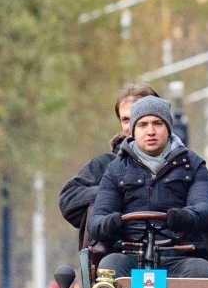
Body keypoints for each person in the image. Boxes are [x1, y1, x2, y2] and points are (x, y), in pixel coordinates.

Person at [86, 96, 208, 278]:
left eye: (157, 123)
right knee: (109, 266)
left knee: (201, 270)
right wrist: (113, 221)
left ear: (169, 128)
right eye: (143, 124)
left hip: (178, 256)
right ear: (132, 130)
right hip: (129, 257)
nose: (150, 131)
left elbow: (206, 208)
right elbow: (97, 220)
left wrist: (184, 217)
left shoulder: (193, 165)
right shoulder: (116, 169)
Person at [58, 82, 160, 247]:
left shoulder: (183, 164)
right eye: (125, 120)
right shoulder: (104, 165)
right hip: (115, 257)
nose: (132, 126)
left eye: (138, 117)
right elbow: (69, 199)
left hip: (172, 257)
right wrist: (113, 193)